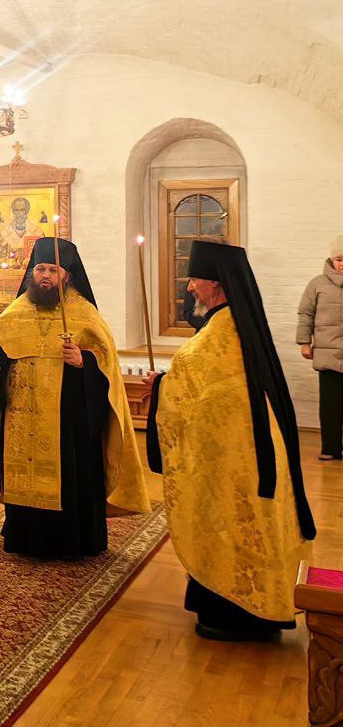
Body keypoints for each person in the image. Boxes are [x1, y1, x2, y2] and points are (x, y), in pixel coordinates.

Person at [148, 240, 315, 641]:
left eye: (195, 280)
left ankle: (231, 616)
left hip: (227, 464)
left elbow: (185, 403)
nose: (190, 287)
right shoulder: (241, 326)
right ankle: (261, 609)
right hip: (255, 454)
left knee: (226, 527)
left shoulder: (211, 343)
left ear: (217, 284)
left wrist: (160, 388)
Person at [0, 238, 149, 559]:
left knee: (70, 477)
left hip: (69, 419)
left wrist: (84, 362)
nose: (45, 276)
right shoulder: (16, 311)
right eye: (40, 269)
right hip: (21, 420)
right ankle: (24, 538)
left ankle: (72, 541)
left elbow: (106, 368)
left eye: (53, 270)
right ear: (32, 272)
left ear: (67, 275)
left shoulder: (84, 314)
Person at [297, 235, 343, 460]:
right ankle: (330, 449)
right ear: (332, 260)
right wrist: (304, 342)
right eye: (339, 259)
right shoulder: (317, 284)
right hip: (328, 355)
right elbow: (305, 314)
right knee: (330, 405)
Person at [0, 196, 45, 270]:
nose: (20, 213)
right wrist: (9, 260)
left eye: (22, 210)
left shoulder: (37, 232)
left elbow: (44, 259)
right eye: (16, 210)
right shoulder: (5, 233)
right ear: (13, 211)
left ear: (27, 210)